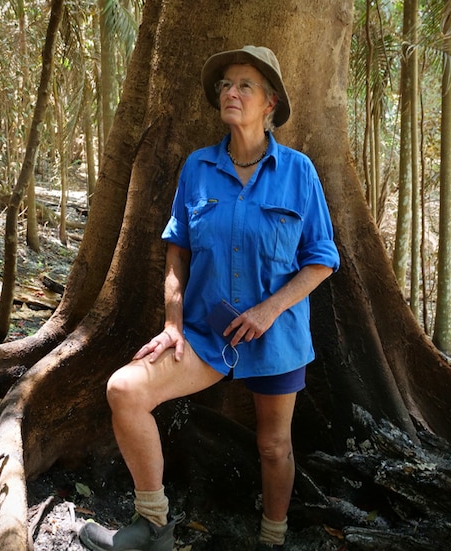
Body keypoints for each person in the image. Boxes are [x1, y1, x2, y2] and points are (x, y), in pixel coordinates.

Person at [79, 45, 340, 551]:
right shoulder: (198, 167)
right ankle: (152, 524)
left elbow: (322, 259)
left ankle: (272, 539)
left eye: (244, 85)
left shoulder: (298, 171)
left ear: (270, 103)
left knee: (273, 446)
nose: (230, 92)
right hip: (203, 334)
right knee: (125, 390)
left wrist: (269, 310)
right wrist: (172, 321)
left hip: (276, 336)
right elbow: (177, 251)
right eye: (225, 84)